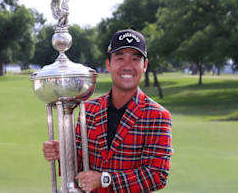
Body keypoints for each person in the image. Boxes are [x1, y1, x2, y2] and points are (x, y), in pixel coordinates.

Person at [43, 29, 173, 192]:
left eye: (135, 59)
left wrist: (106, 179)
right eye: (120, 58)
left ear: (144, 65)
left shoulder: (158, 116)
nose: (127, 66)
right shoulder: (88, 110)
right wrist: (63, 153)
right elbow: (79, 169)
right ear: (109, 64)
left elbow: (157, 175)